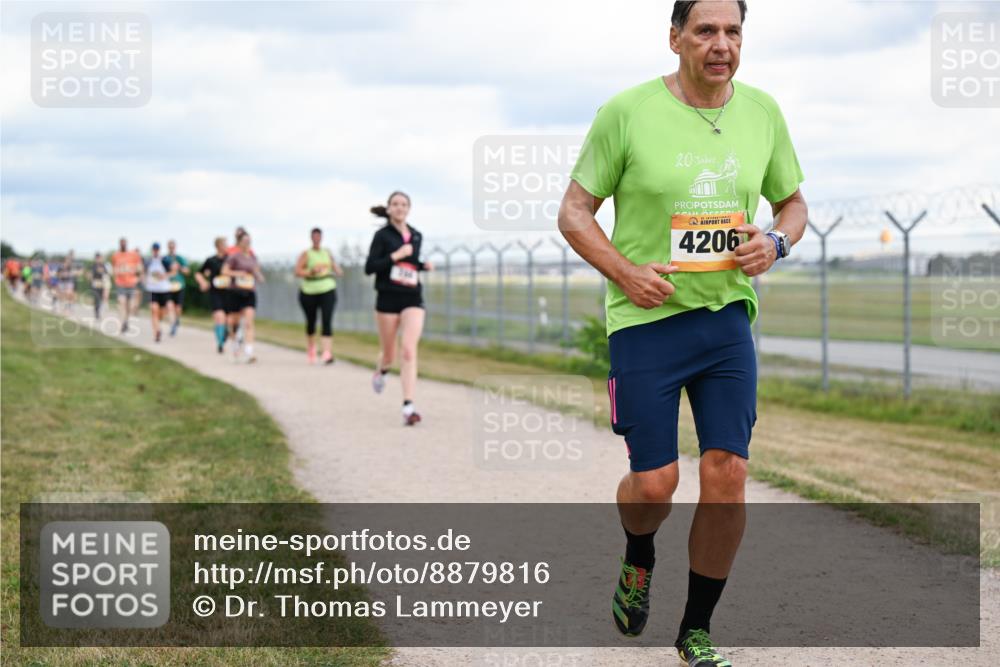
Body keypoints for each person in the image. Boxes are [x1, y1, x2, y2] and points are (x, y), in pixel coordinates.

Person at [558, 1, 807, 664]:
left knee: (728, 472)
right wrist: (625, 272)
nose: (721, 44)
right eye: (706, 30)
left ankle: (695, 629)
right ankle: (639, 552)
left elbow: (793, 202)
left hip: (726, 320)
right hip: (646, 321)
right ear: (675, 39)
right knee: (655, 484)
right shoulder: (627, 112)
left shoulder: (762, 112)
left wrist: (777, 241)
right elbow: (574, 211)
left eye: (733, 32)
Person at [364, 191, 434, 426]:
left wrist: (423, 266)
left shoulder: (416, 235)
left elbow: (411, 264)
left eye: (404, 204)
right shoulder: (382, 236)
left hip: (412, 297)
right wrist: (395, 255)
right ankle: (382, 371)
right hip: (387, 299)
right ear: (389, 208)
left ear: (409, 208)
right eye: (395, 204)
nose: (399, 207)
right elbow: (370, 267)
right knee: (389, 355)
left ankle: (408, 405)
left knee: (408, 350)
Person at [295, 227, 343, 365]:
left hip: (327, 288)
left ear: (321, 238)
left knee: (327, 319)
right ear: (311, 238)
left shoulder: (327, 253)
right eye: (314, 236)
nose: (317, 239)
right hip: (309, 291)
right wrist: (311, 271)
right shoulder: (306, 254)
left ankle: (327, 353)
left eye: (319, 236)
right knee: (311, 322)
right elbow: (297, 271)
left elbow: (337, 269)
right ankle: (311, 348)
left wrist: (337, 269)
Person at [222, 231, 265, 363]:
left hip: (249, 292)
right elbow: (224, 271)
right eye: (244, 241)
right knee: (234, 322)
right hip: (235, 292)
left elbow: (256, 270)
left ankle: (249, 351)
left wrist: (259, 276)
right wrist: (238, 273)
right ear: (239, 243)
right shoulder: (234, 257)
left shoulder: (253, 257)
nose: (247, 244)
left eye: (249, 241)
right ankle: (235, 343)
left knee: (249, 322)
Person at [194, 237, 232, 354]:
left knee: (227, 319)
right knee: (219, 317)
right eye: (224, 244)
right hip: (215, 292)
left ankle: (224, 332)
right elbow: (198, 273)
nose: (227, 246)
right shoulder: (211, 260)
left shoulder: (230, 259)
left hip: (229, 293)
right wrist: (203, 282)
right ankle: (220, 343)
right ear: (218, 246)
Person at [111, 238, 144, 333]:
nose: (123, 245)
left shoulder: (133, 255)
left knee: (130, 306)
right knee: (121, 302)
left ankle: (126, 321)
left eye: (124, 243)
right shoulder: (115, 256)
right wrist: (115, 277)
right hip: (120, 283)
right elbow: (114, 268)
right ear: (119, 245)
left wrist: (138, 277)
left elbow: (140, 268)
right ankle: (122, 324)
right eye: (121, 244)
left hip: (131, 284)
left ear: (127, 244)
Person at [144, 242, 173, 343]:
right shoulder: (147, 260)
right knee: (154, 310)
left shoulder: (165, 260)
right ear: (152, 250)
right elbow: (143, 272)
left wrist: (163, 276)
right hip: (152, 289)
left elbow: (172, 272)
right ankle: (157, 332)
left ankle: (158, 322)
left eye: (157, 249)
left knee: (162, 312)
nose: (155, 251)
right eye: (154, 249)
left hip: (164, 289)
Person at [164, 239, 190, 337]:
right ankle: (173, 326)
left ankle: (177, 319)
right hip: (168, 286)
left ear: (175, 247)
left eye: (173, 246)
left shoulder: (180, 258)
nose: (171, 248)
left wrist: (179, 267)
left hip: (179, 286)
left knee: (178, 308)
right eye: (170, 246)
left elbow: (187, 271)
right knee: (170, 306)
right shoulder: (165, 259)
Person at [89, 252, 112, 320]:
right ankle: (97, 313)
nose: (99, 259)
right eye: (97, 258)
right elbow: (90, 275)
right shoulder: (93, 266)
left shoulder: (105, 265)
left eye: (100, 258)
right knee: (97, 299)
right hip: (95, 284)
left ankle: (99, 311)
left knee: (101, 298)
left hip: (102, 284)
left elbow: (108, 274)